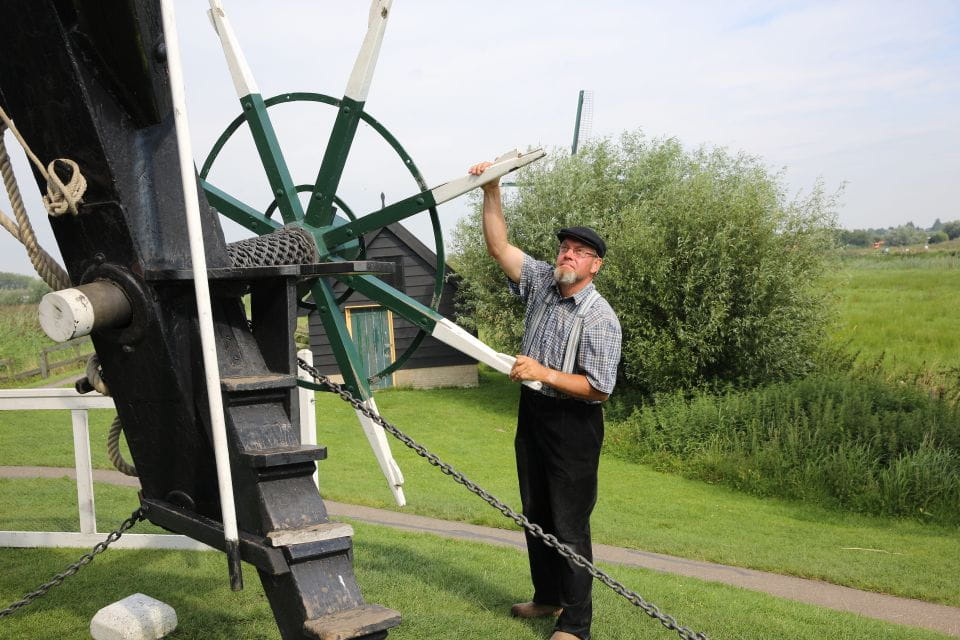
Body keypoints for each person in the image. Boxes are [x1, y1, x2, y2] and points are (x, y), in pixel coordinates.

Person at [468, 161, 622, 640]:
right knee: (536, 511)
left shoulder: (600, 318)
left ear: (595, 265)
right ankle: (548, 598)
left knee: (570, 523)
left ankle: (576, 625)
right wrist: (490, 190)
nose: (568, 255)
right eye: (565, 248)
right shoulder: (540, 284)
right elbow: (498, 246)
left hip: (574, 424)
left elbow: (599, 387)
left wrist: (543, 373)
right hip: (533, 412)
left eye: (579, 252)